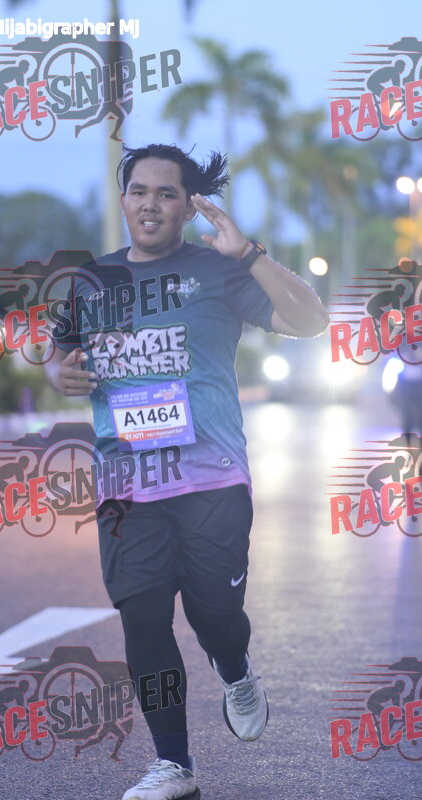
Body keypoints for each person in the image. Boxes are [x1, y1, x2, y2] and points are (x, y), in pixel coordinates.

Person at [45, 144, 329, 800]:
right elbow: (59, 352)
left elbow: (312, 321)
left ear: (188, 206)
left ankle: (234, 667)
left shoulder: (218, 271)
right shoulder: (91, 280)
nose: (151, 204)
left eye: (166, 193)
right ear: (123, 199)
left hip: (212, 479)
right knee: (143, 617)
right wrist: (59, 374)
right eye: (139, 191)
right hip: (125, 484)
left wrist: (248, 254)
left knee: (215, 613)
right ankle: (173, 764)